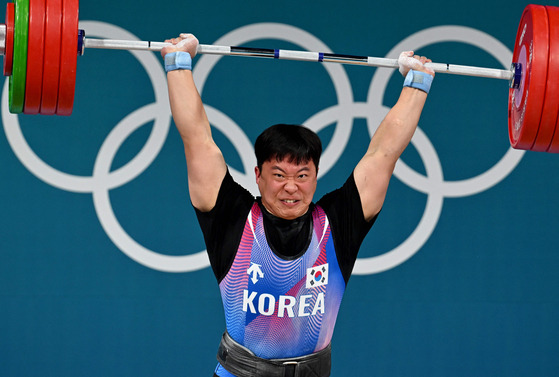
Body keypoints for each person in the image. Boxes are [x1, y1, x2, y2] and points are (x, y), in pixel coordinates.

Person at [161, 33, 434, 377]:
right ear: (258, 175)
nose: (291, 187)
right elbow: (197, 138)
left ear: (316, 176)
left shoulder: (337, 222)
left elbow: (383, 154)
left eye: (302, 175)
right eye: (279, 174)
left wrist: (418, 83)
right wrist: (178, 64)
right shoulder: (231, 216)